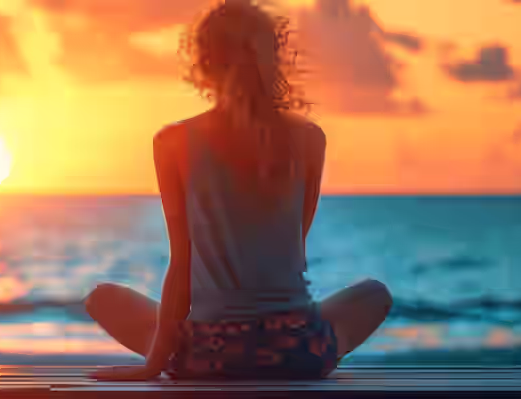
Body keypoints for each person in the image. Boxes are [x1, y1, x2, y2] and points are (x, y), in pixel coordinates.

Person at [84, 0, 392, 381]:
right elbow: (294, 243)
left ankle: (196, 353)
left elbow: (182, 264)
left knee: (103, 297)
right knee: (375, 294)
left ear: (203, 62)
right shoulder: (310, 139)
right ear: (273, 58)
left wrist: (153, 364)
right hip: (297, 351)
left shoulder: (173, 141)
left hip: (206, 357)